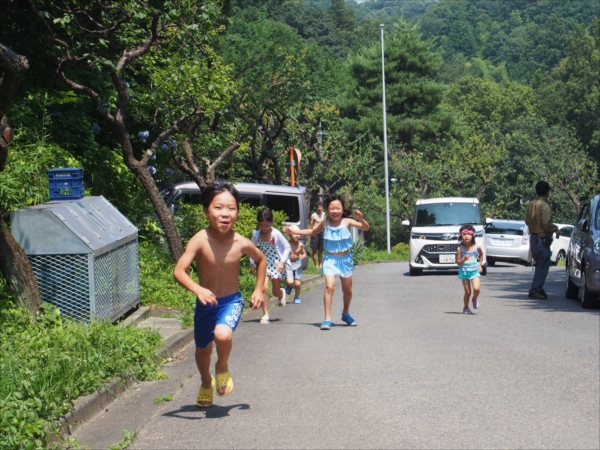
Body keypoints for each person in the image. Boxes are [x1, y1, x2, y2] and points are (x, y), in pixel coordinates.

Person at [173, 181, 267, 408]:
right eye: (218, 208)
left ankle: (222, 365)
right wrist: (197, 288)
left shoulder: (241, 243)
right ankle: (206, 381)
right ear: (206, 212)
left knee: (223, 336)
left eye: (231, 208)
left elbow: (261, 260)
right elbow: (178, 271)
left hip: (231, 301)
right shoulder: (199, 240)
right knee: (203, 351)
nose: (225, 214)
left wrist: (258, 289)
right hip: (206, 305)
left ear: (237, 212)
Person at [284, 195, 370, 330]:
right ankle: (327, 319)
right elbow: (312, 232)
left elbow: (365, 228)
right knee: (330, 286)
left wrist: (361, 219)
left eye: (338, 208)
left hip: (345, 260)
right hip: (330, 259)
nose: (335, 211)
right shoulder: (324, 224)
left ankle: (346, 313)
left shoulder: (347, 221)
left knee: (347, 290)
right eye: (332, 208)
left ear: (342, 209)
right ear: (327, 210)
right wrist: (294, 231)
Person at [250, 208, 291, 324]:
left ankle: (281, 292)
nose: (264, 228)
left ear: (272, 222)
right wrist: (252, 263)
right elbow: (251, 249)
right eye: (261, 225)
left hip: (276, 264)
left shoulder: (276, 234)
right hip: (264, 264)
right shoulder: (256, 234)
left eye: (266, 225)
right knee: (263, 288)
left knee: (275, 292)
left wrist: (282, 261)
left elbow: (287, 247)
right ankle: (265, 314)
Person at [525, 181, 561, 299]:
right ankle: (535, 290)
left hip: (533, 238)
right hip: (541, 239)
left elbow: (526, 221)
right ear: (547, 192)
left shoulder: (531, 204)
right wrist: (556, 229)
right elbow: (546, 224)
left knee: (539, 265)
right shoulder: (545, 206)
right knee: (542, 266)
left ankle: (538, 288)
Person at [456, 224, 485, 314]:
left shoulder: (477, 246)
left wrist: (480, 265)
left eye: (468, 234)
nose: (466, 236)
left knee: (476, 289)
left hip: (474, 270)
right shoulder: (460, 248)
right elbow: (458, 262)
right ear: (461, 236)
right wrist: (464, 259)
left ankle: (475, 298)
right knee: (467, 292)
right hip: (464, 271)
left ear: (473, 235)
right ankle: (466, 307)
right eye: (464, 234)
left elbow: (481, 255)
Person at [284, 225, 307, 304]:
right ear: (290, 234)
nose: (297, 235)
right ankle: (289, 286)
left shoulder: (300, 244)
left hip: (298, 264)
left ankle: (297, 297)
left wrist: (302, 256)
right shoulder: (287, 244)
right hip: (289, 264)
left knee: (297, 283)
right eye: (294, 233)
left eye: (298, 233)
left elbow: (304, 254)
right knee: (290, 282)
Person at [309, 200, 326, 268]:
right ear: (316, 208)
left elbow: (325, 224)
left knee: (321, 250)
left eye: (321, 207)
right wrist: (310, 232)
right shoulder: (313, 215)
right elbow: (311, 224)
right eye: (318, 207)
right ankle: (316, 265)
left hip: (321, 233)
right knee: (315, 250)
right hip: (315, 233)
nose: (319, 208)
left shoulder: (324, 214)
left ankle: (320, 264)